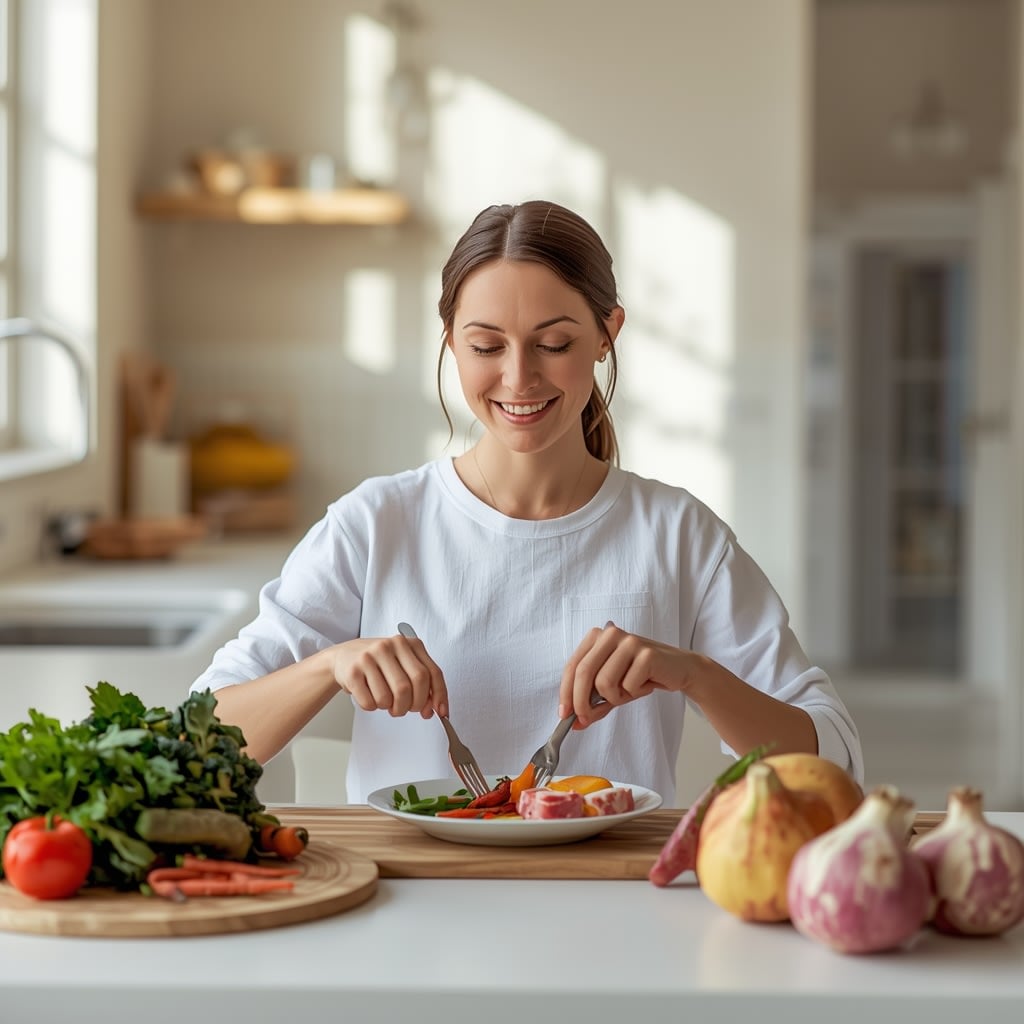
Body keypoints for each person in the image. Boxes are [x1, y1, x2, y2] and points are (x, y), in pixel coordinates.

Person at [191, 199, 864, 805]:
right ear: (451, 341)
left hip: (610, 892)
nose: (519, 378)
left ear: (607, 334)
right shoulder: (374, 525)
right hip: (409, 893)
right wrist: (327, 666)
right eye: (487, 346)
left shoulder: (679, 535)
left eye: (554, 344)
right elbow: (195, 738)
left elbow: (833, 760)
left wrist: (696, 676)